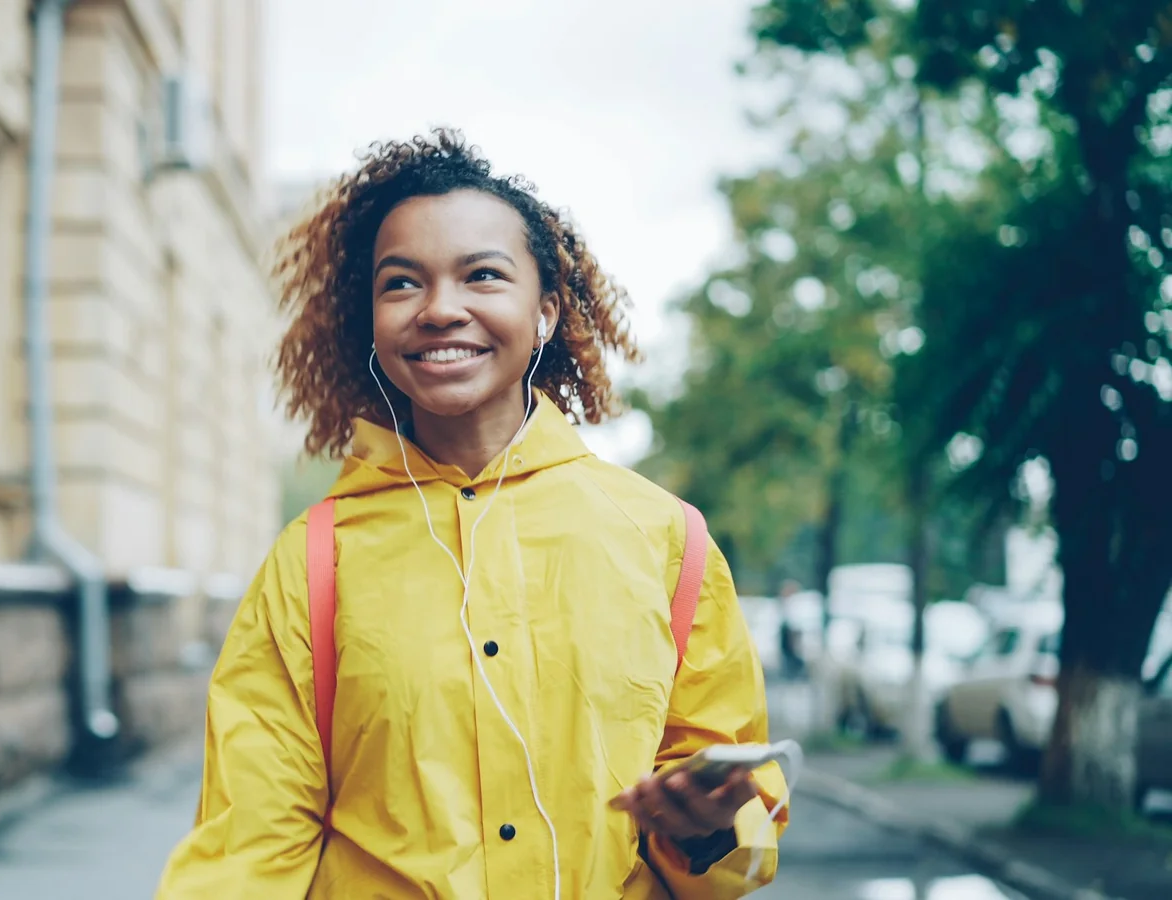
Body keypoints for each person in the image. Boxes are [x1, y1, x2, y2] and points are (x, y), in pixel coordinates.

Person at [155, 130, 787, 899]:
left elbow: (740, 845)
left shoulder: (666, 542)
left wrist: (706, 828)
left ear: (547, 311)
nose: (440, 310)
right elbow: (248, 850)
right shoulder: (313, 561)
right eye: (401, 284)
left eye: (482, 275)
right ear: (372, 325)